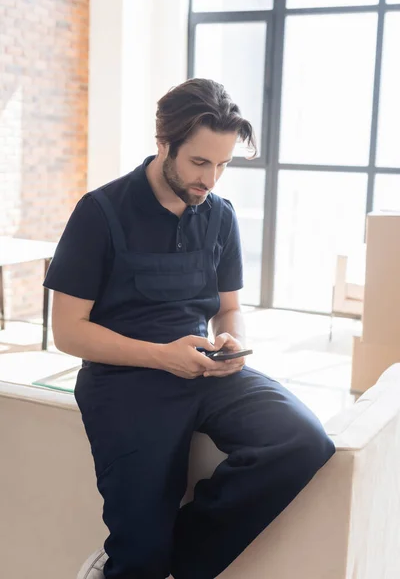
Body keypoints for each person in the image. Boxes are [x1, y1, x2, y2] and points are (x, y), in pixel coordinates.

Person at [44, 78, 335, 579]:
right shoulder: (100, 212)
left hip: (205, 370)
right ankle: (140, 558)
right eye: (200, 163)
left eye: (222, 165)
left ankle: (176, 559)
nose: (211, 179)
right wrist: (161, 355)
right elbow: (69, 331)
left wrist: (234, 342)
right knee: (140, 555)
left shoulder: (219, 215)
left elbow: (228, 307)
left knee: (303, 441)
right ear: (164, 144)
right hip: (124, 382)